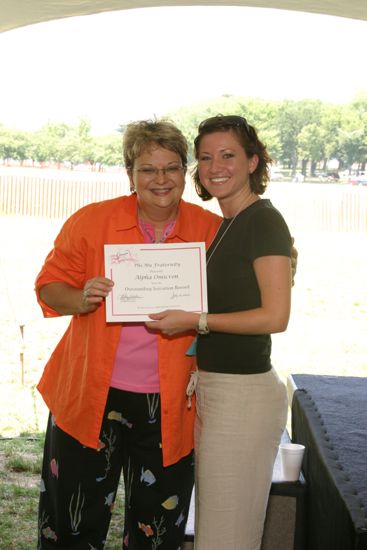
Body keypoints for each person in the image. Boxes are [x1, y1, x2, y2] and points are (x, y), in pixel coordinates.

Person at [35, 119, 222, 549]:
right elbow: (48, 286)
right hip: (89, 396)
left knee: (156, 526)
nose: (160, 180)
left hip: (171, 402)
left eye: (171, 168)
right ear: (130, 175)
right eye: (147, 169)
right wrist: (81, 297)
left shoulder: (210, 232)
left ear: (185, 172)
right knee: (72, 520)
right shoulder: (91, 222)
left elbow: (245, 290)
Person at [146, 114, 292, 550]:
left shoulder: (263, 221)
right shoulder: (226, 224)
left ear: (252, 161)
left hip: (243, 396)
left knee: (225, 537)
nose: (215, 166)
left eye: (228, 155)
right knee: (215, 530)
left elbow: (275, 317)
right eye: (206, 157)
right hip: (214, 389)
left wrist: (196, 320)